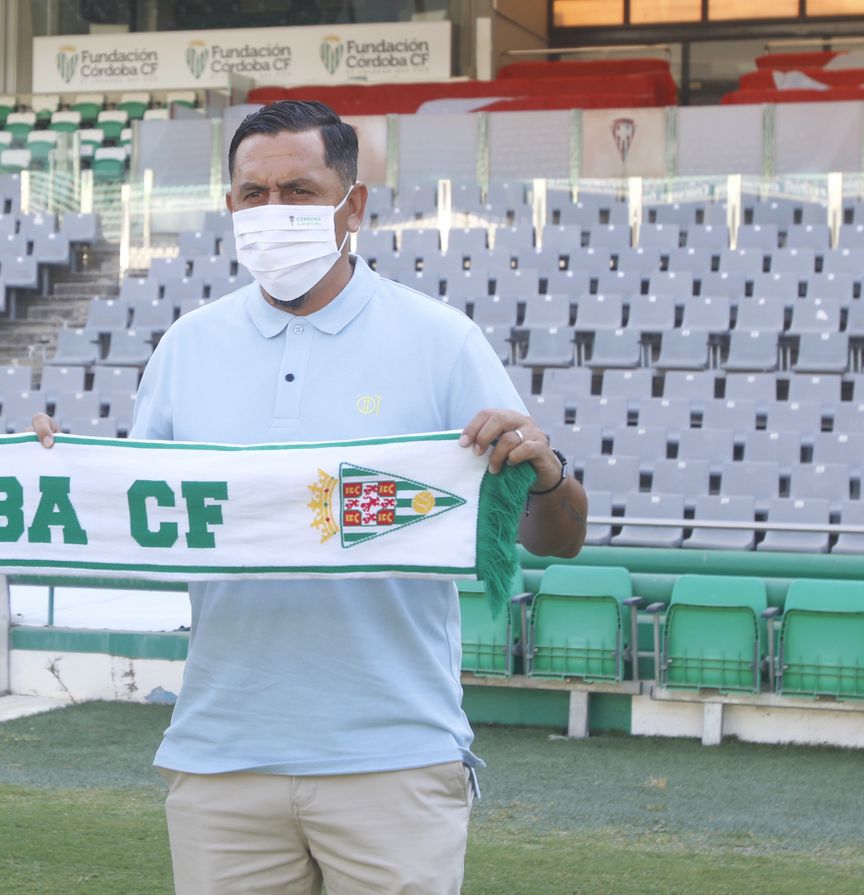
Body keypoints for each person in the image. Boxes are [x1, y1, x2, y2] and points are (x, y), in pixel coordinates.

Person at [32, 100, 588, 894]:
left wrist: (545, 470)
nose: (273, 212)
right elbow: (132, 512)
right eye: (253, 195)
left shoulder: (440, 341)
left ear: (352, 206)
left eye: (299, 190)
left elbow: (557, 536)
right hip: (221, 755)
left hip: (392, 755)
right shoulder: (188, 347)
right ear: (229, 207)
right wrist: (49, 468)